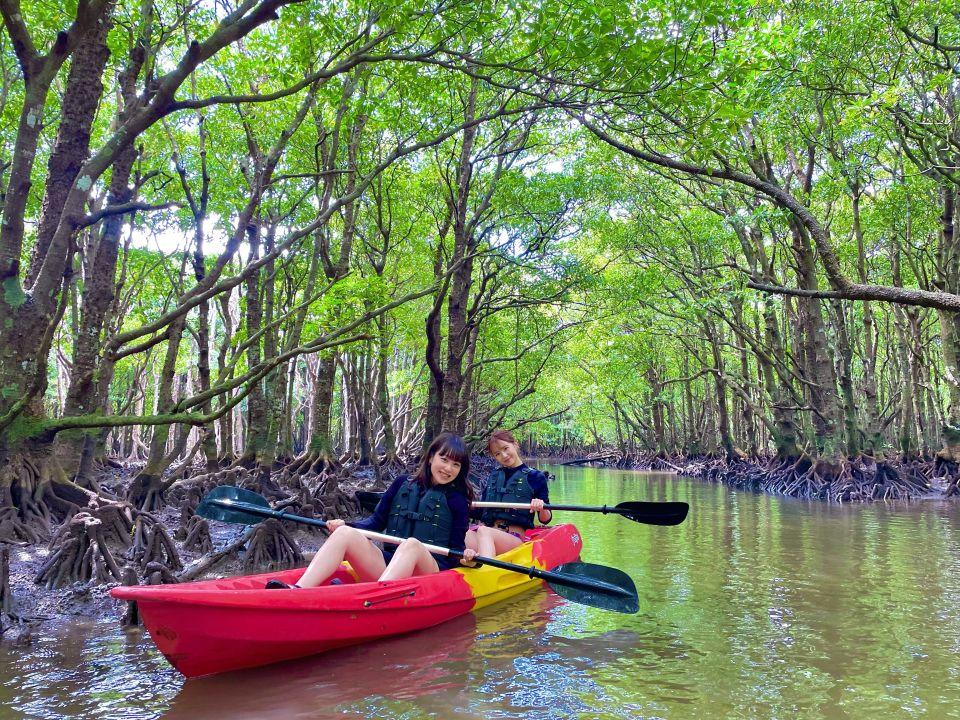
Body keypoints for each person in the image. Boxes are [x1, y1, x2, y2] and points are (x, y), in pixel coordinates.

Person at [266, 432, 477, 589]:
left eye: (456, 465)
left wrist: (466, 557)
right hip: (390, 566)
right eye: (444, 459)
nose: (448, 469)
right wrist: (346, 525)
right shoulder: (402, 484)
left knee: (412, 545)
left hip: (431, 573)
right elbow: (374, 524)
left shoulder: (457, 500)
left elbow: (455, 551)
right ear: (431, 457)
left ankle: (373, 599)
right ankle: (299, 589)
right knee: (345, 533)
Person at [465, 429, 552, 558]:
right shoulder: (494, 476)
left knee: (484, 531)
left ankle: (486, 570)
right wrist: (462, 504)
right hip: (486, 533)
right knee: (460, 533)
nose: (504, 455)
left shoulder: (536, 477)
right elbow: (481, 511)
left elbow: (545, 519)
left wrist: (541, 506)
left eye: (506, 448)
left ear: (515, 444)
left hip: (513, 538)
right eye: (498, 454)